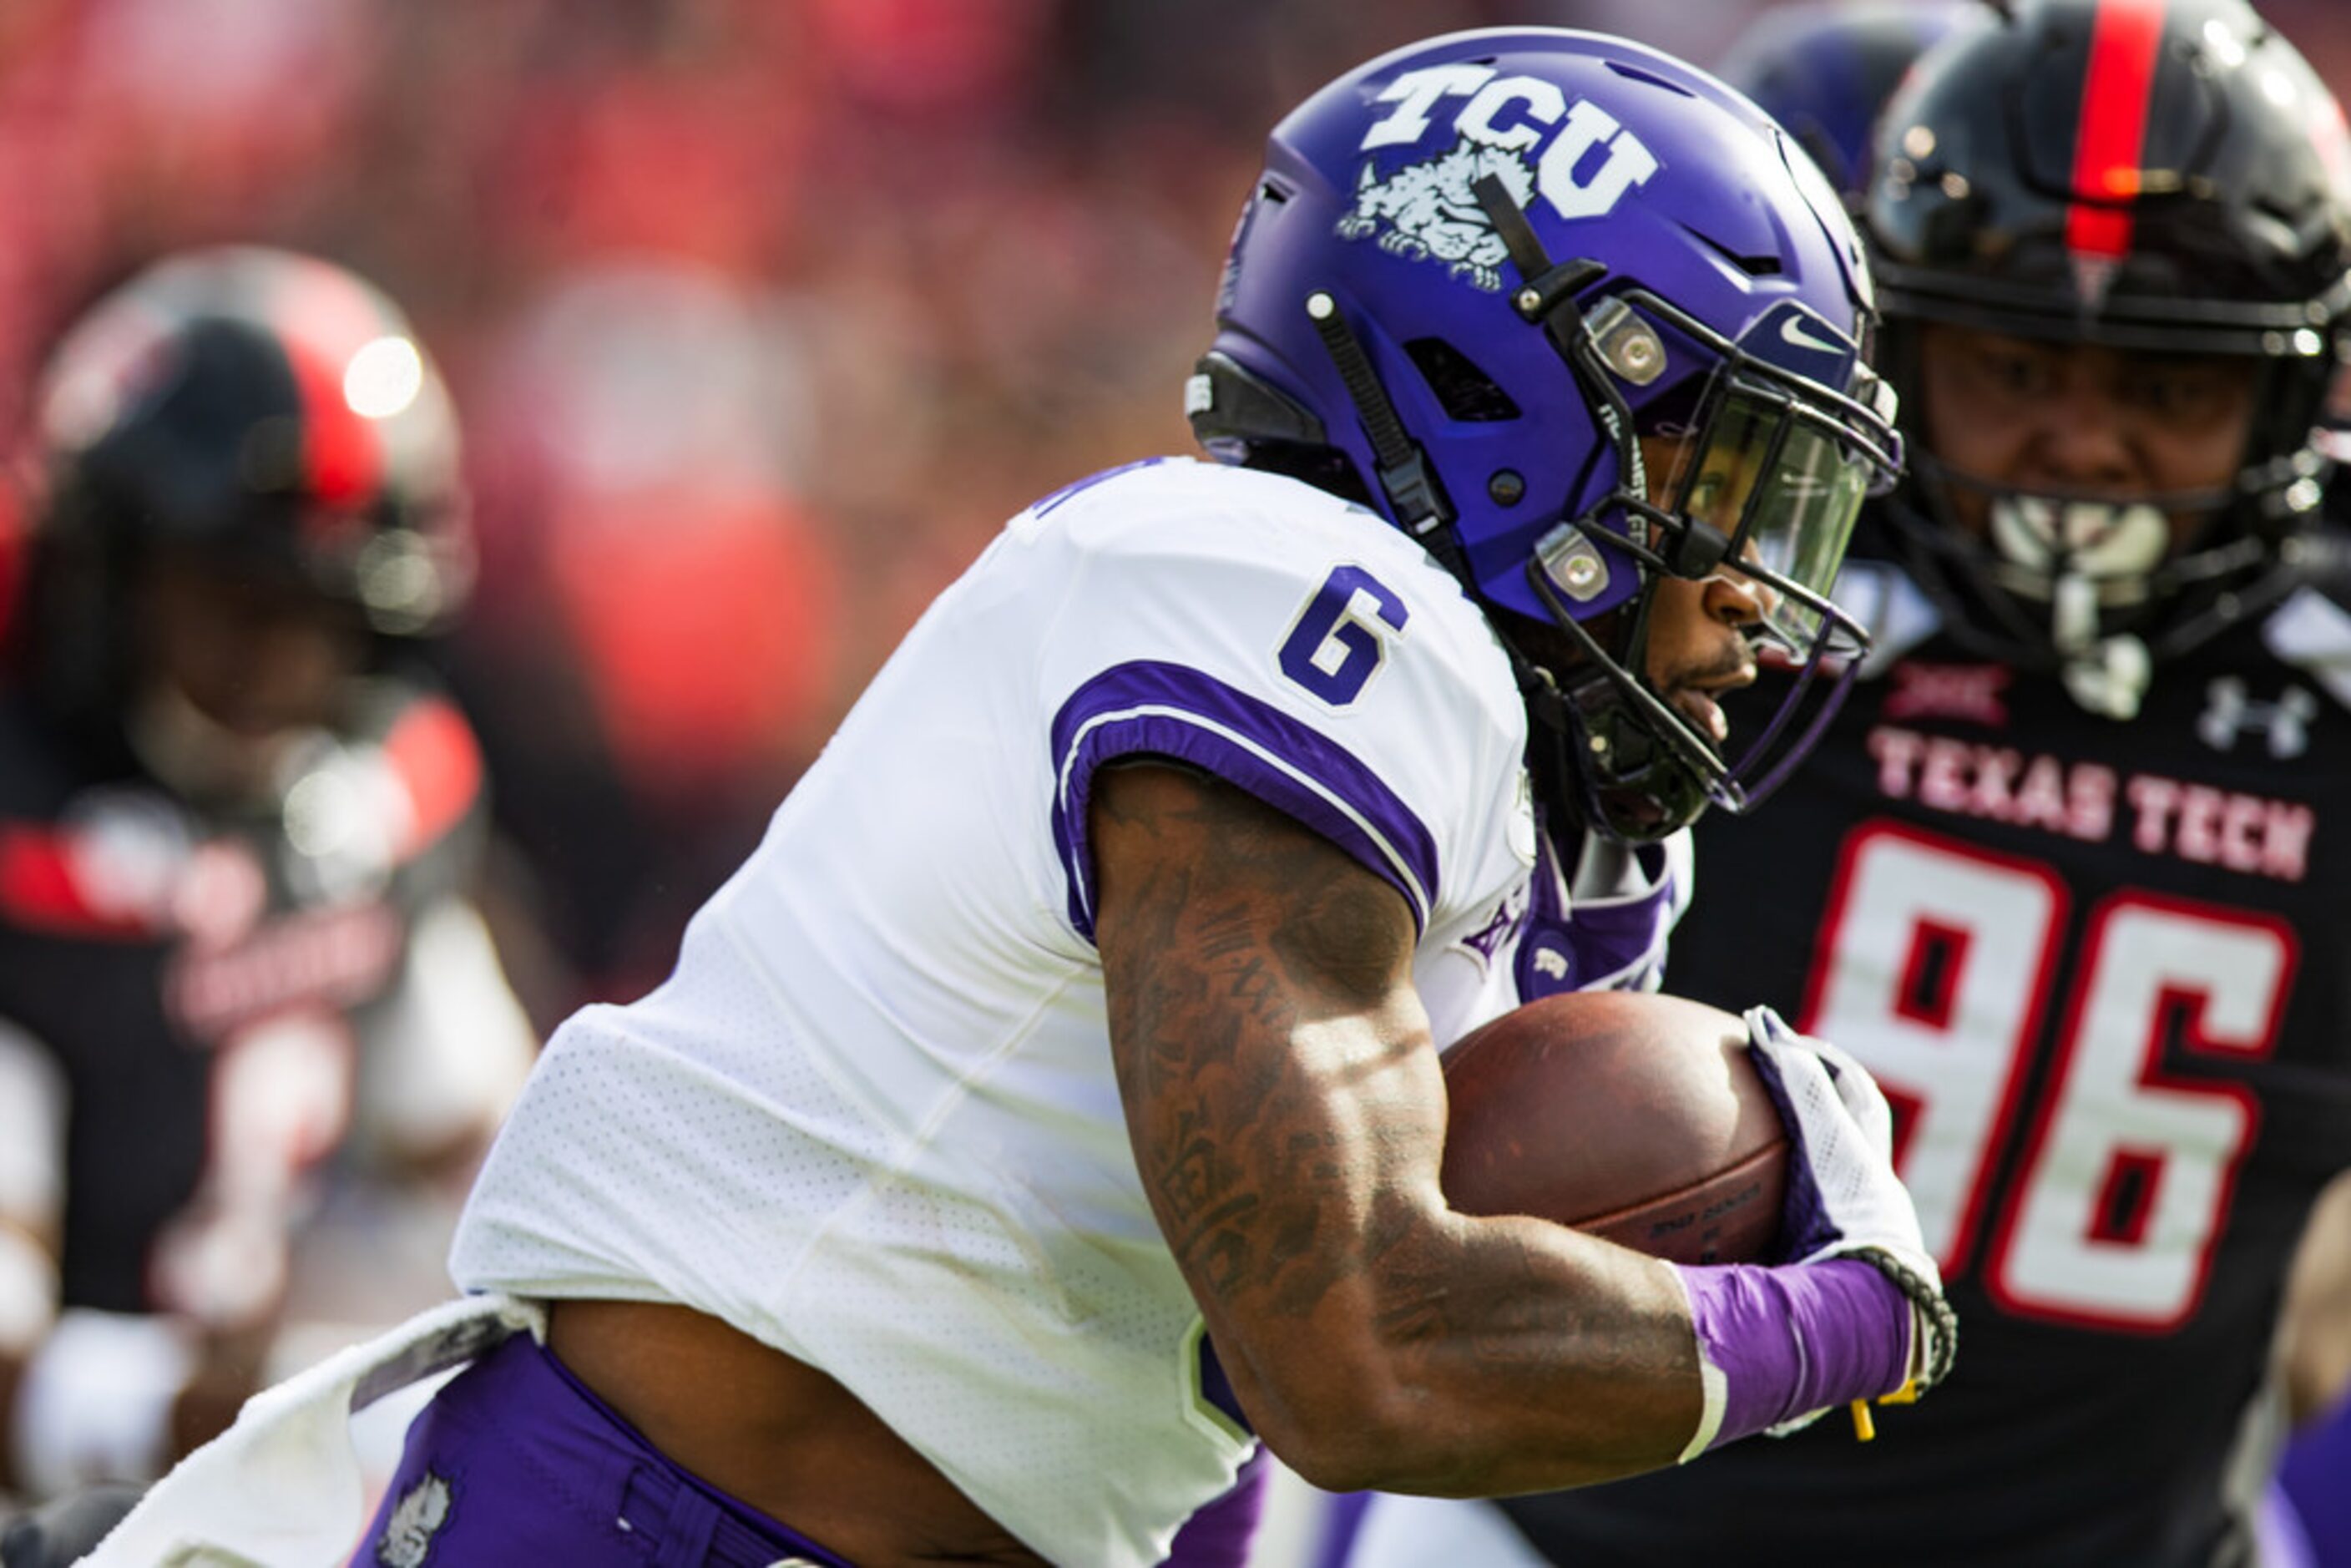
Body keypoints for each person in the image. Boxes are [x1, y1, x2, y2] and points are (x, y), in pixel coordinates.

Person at [78, 30, 1954, 1568]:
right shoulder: (1285, 599)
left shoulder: (1531, 791)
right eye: (1723, 484)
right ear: (1511, 395)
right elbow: (1354, 1348)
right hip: (659, 1521)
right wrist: (1843, 1318)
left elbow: (1187, 1401)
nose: (1750, 588)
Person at [1393, 2, 2351, 1564]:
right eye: (2019, 362)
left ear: (2291, 401)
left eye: (2166, 388)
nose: (2081, 446)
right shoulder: (1716, 583)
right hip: (1569, 1535)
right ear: (1898, 353)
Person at [0, 248, 535, 1525]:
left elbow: (506, 1168)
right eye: (228, 596)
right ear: (110, 568)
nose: (277, 659)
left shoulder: (379, 804)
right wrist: (247, 1415)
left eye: (323, 616)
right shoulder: (31, 844)